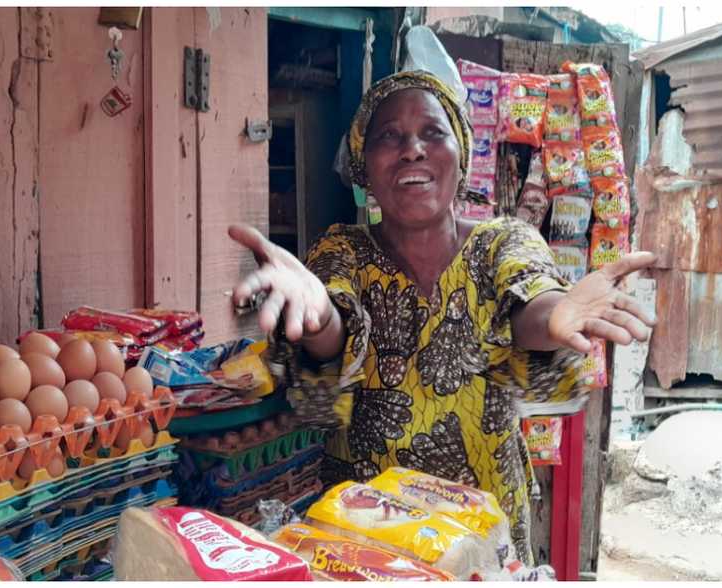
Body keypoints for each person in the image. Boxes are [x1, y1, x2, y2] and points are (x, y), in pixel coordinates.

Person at [229, 71, 656, 563]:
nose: (412, 149)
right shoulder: (342, 250)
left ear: (461, 155)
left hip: (484, 538)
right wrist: (321, 317)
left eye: (433, 132)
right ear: (363, 166)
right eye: (389, 135)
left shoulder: (502, 243)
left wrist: (557, 312)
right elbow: (333, 322)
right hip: (369, 541)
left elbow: (529, 302)